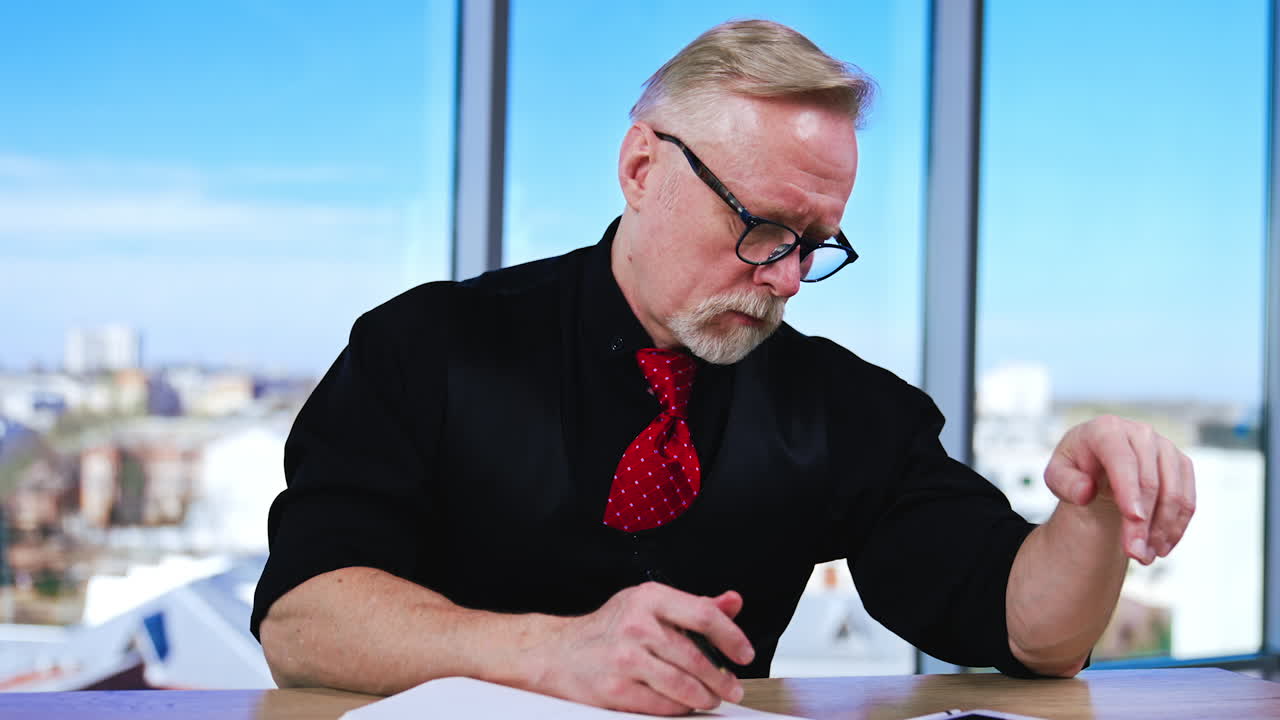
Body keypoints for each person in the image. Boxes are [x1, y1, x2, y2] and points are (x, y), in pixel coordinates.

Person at [252, 19, 1196, 716]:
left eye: (816, 244)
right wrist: (549, 654)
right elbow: (303, 618)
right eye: (760, 228)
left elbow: (1027, 629)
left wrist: (1094, 516)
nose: (787, 278)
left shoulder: (842, 407)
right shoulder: (426, 346)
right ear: (640, 169)